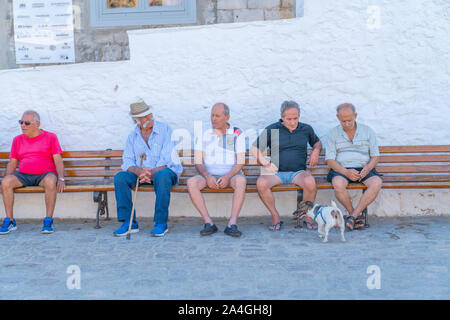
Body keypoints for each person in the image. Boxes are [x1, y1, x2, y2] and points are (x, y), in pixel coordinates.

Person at [113, 101, 182, 237]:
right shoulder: (133, 137)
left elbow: (167, 159)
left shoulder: (165, 130)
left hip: (165, 172)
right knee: (120, 177)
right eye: (145, 117)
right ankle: (129, 222)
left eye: (149, 114)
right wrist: (139, 172)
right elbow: (127, 161)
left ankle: (161, 223)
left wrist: (149, 173)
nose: (149, 118)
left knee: (162, 176)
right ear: (137, 120)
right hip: (142, 174)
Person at [250, 101, 322, 230]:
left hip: (298, 172)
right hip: (277, 173)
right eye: (289, 119)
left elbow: (317, 143)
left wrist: (316, 151)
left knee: (310, 182)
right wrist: (266, 163)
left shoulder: (306, 129)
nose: (293, 122)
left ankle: (307, 216)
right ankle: (275, 216)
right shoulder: (273, 129)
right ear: (282, 117)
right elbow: (254, 148)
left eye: (295, 118)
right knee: (261, 183)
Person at [0, 110, 65, 234]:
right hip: (24, 175)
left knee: (51, 181)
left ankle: (48, 220)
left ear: (37, 124)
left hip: (45, 175)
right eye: (21, 122)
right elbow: (12, 163)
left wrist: (61, 178)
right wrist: (4, 183)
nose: (23, 125)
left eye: (27, 123)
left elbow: (58, 159)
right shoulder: (17, 140)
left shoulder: (51, 137)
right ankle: (10, 220)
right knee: (7, 182)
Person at [187, 103, 247, 237]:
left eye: (217, 116)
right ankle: (209, 223)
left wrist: (227, 177)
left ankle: (232, 224)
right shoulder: (204, 134)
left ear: (227, 117)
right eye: (212, 115)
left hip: (232, 174)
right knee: (191, 182)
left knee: (241, 181)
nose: (213, 119)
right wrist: (207, 176)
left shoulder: (237, 134)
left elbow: (240, 162)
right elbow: (198, 161)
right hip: (208, 174)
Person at [325, 103, 382, 231]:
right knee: (338, 184)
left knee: (376, 182)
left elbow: (375, 156)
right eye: (343, 121)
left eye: (349, 120)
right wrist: (345, 171)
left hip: (364, 168)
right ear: (338, 117)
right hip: (342, 168)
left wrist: (367, 168)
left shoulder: (367, 131)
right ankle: (353, 215)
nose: (347, 123)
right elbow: (329, 160)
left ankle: (352, 217)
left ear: (355, 116)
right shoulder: (333, 133)